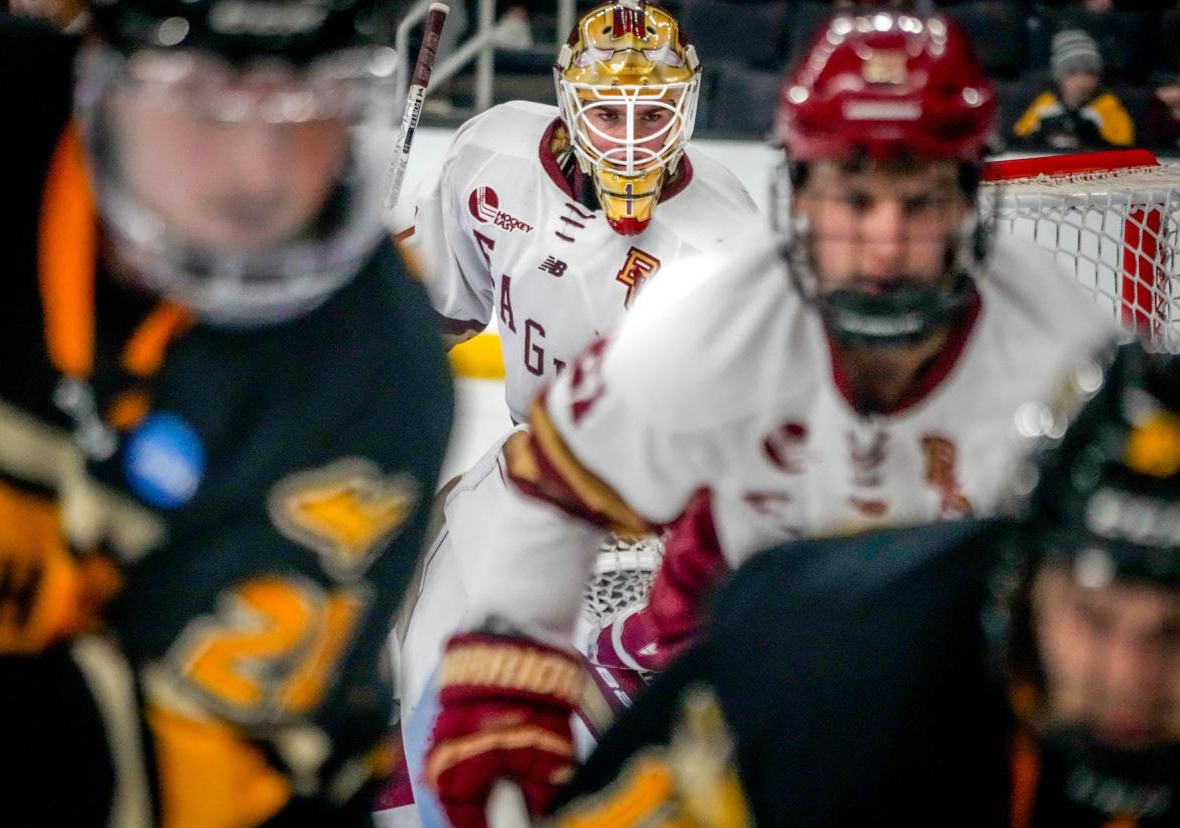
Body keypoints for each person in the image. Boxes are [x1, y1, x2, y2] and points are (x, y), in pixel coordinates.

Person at [418, 9, 1129, 827]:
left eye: (920, 201)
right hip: (756, 675)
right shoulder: (711, 312)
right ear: (797, 189)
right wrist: (514, 671)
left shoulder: (1066, 349)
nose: (886, 245)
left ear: (969, 197)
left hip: (958, 697)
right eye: (855, 200)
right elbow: (559, 483)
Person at [0, 0, 452, 824]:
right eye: (204, 97)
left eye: (309, 103)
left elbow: (178, 787)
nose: (260, 175)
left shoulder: (369, 377)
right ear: (100, 71)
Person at [556, 340, 1180, 827]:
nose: (1128, 675)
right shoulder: (847, 690)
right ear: (1025, 582)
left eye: (1175, 633)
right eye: (1093, 619)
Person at [388, 1, 755, 822]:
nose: (630, 137)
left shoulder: (728, 235)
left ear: (688, 106)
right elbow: (438, 313)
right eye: (608, 111)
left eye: (653, 112)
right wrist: (365, 342)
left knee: (625, 735)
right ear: (566, 100)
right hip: (524, 473)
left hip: (652, 514)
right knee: (418, 676)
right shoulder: (492, 156)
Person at [1013, 28, 1135, 151]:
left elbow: (1124, 146)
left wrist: (1094, 138)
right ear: (1059, 77)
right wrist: (1040, 134)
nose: (1081, 80)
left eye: (1090, 73)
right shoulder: (1045, 103)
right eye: (1072, 73)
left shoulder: (1107, 104)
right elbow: (1020, 140)